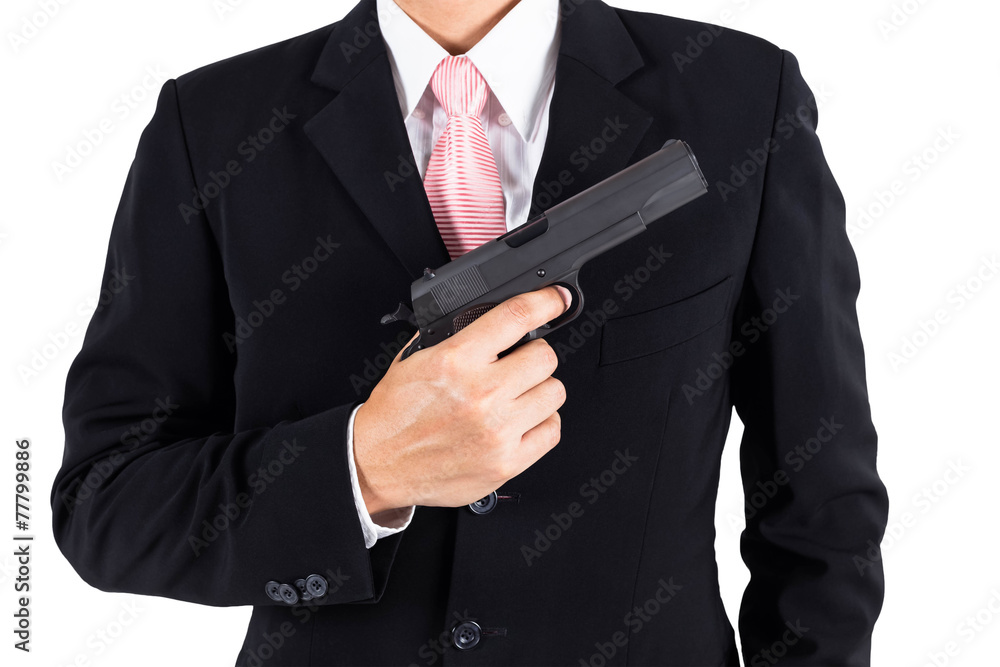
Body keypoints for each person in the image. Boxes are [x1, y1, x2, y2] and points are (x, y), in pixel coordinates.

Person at [51, 0, 889, 664]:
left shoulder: (743, 99)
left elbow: (822, 505)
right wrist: (362, 469)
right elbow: (105, 503)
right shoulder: (211, 127)